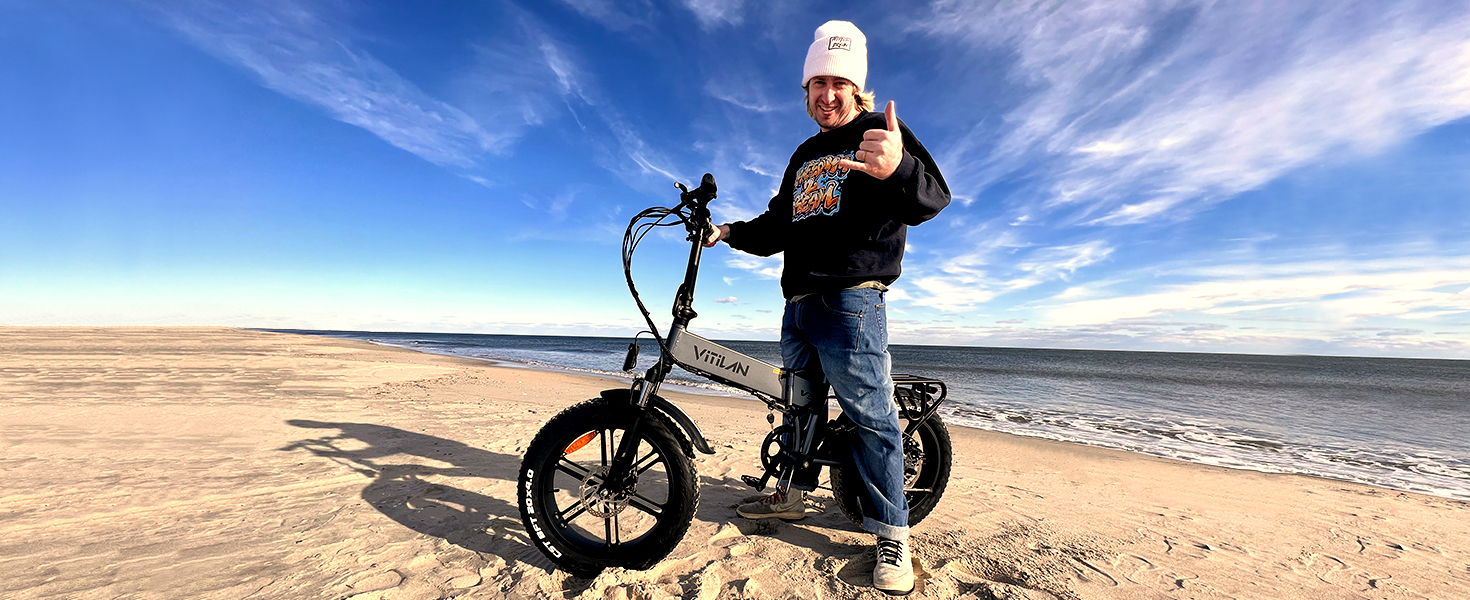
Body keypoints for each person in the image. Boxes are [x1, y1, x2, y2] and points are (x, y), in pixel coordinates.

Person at [703, 20, 950, 596]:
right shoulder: (805, 153)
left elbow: (932, 199)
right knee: (799, 406)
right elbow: (778, 225)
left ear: (856, 88)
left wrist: (898, 168)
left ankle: (892, 534)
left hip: (852, 299)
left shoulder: (879, 131)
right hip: (798, 302)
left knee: (870, 416)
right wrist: (729, 232)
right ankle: (791, 493)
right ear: (806, 89)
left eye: (840, 83)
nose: (828, 94)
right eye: (818, 83)